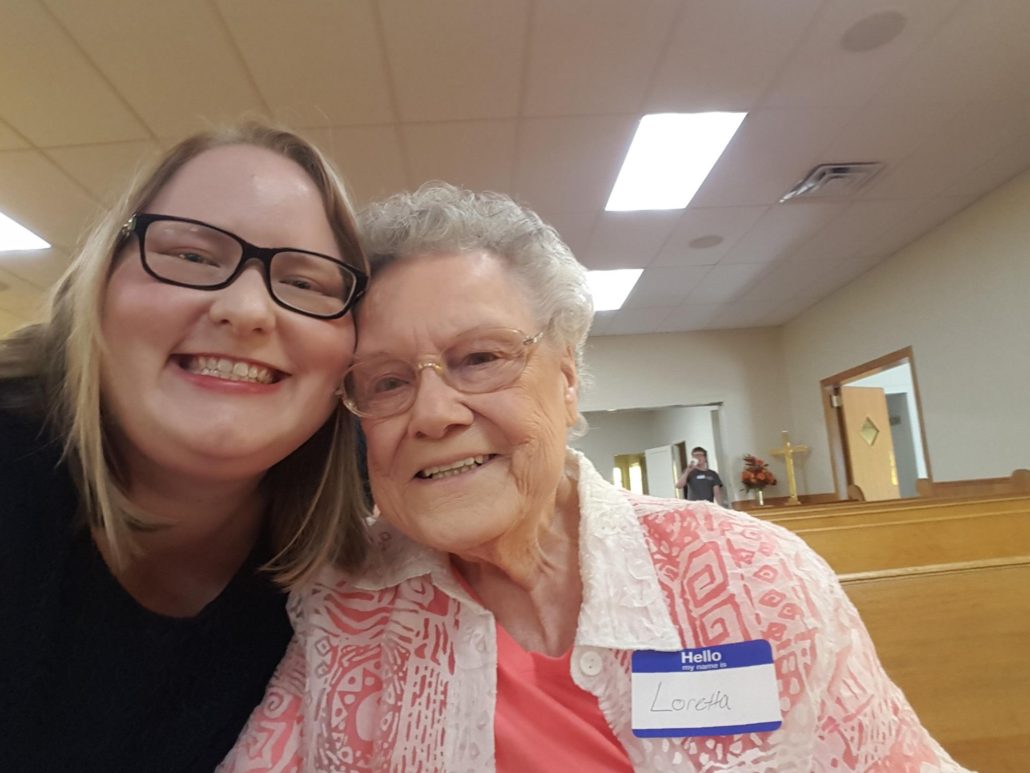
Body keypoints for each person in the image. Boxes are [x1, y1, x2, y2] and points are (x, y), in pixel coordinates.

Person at [223, 183, 965, 772]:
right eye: (385, 382)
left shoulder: (753, 578)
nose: (433, 412)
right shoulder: (341, 608)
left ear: (569, 379)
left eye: (480, 358)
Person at [0, 122, 371, 772]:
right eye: (193, 257)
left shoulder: (382, 526)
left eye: (308, 283)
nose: (248, 309)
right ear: (100, 289)